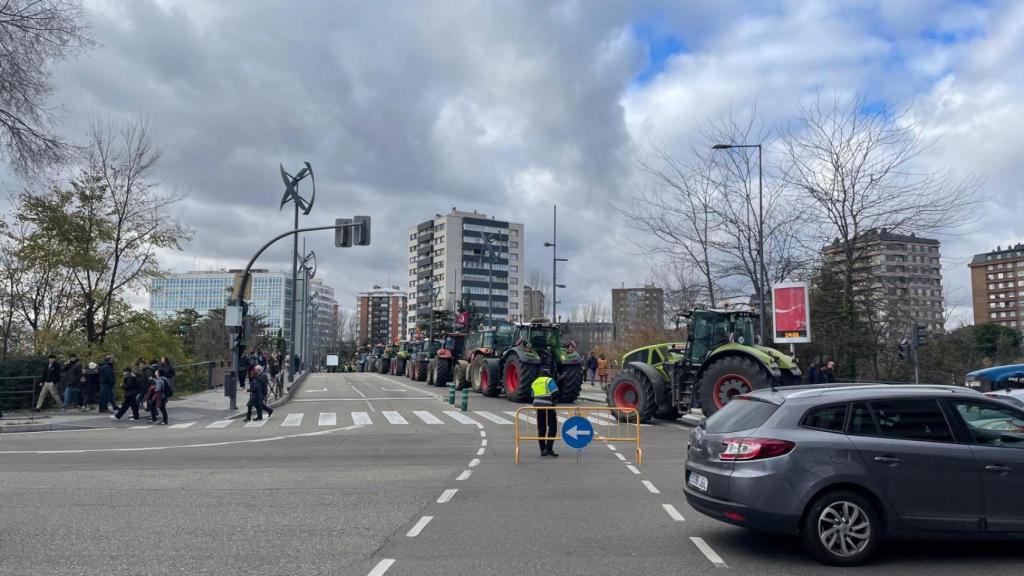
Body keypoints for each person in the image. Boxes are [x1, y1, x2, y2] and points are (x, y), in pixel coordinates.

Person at [531, 371, 559, 458]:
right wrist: (554, 401)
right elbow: (556, 393)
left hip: (538, 407)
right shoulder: (549, 380)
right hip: (548, 407)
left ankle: (542, 450)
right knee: (553, 427)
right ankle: (549, 449)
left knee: (541, 429)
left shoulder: (534, 382)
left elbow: (532, 395)